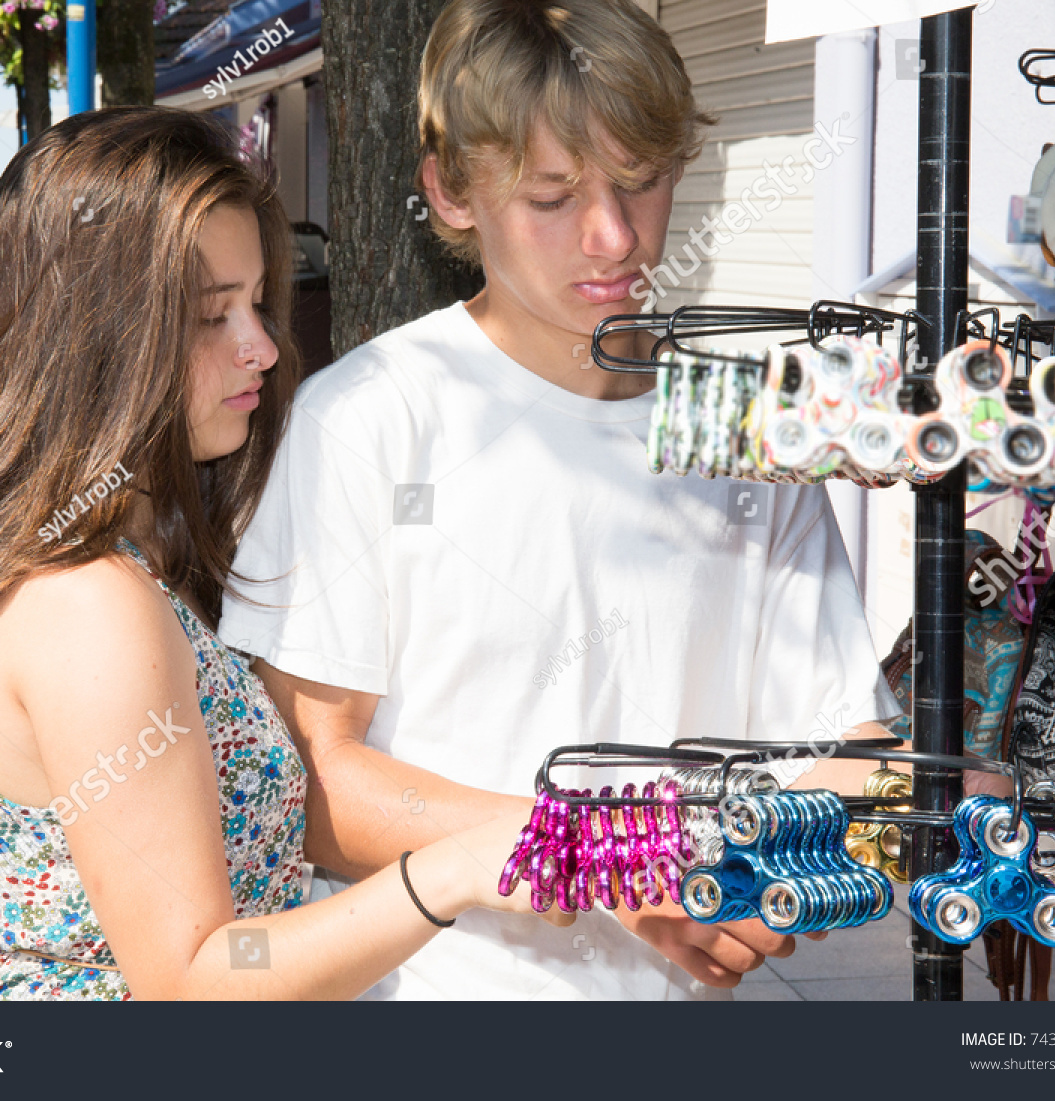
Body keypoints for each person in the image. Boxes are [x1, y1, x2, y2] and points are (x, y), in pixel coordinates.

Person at [218, 0, 908, 1001]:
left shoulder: (741, 429)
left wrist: (910, 817)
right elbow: (314, 786)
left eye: (642, 182)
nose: (614, 236)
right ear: (451, 193)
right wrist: (605, 859)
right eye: (552, 196)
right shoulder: (371, 418)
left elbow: (841, 742)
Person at [0, 106, 568, 1001]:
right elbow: (194, 981)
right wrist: (451, 870)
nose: (262, 346)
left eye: (255, 304)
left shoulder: (98, 558)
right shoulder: (89, 603)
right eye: (214, 316)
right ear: (94, 338)